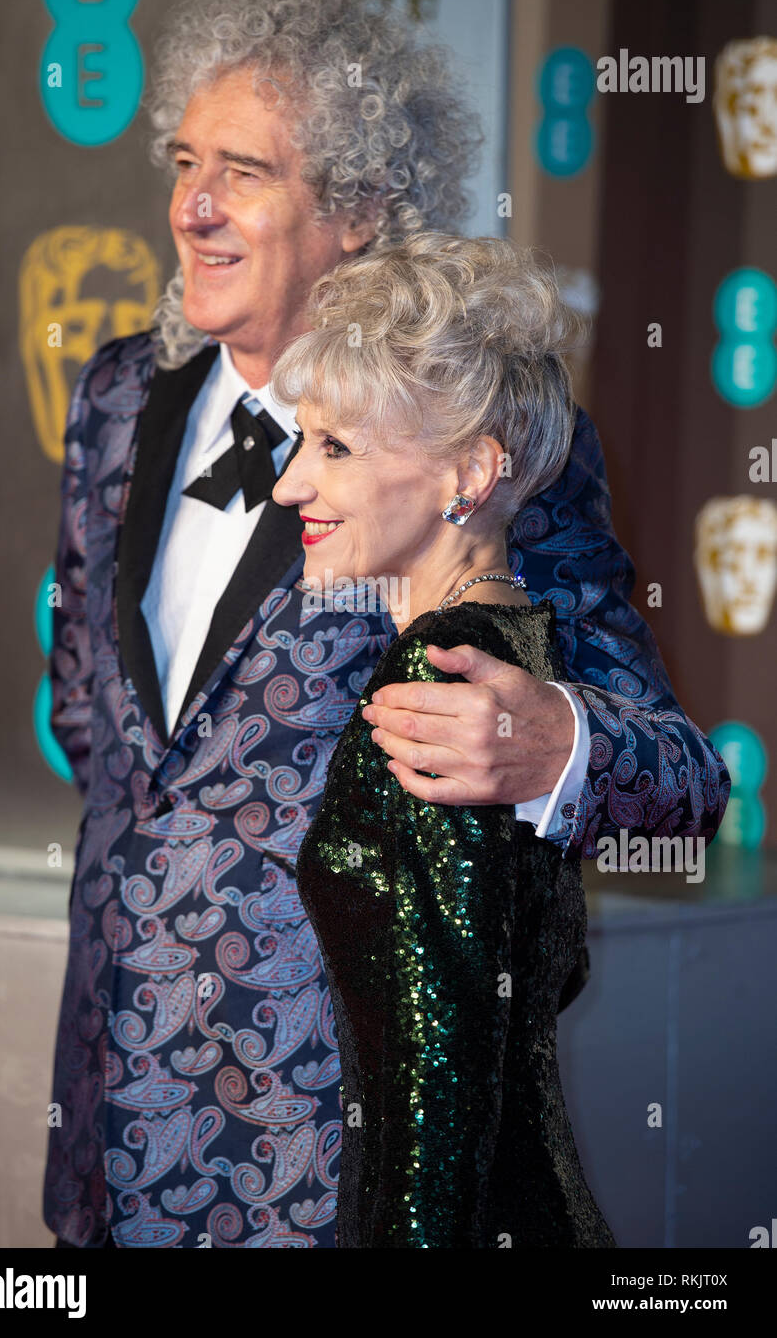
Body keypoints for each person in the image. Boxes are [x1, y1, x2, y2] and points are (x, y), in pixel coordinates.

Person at [44, 0, 728, 1249]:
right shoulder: (115, 397)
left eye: (242, 171)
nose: (191, 205)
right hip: (102, 1123)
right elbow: (87, 705)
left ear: (354, 211)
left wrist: (556, 744)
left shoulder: (483, 445)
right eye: (184, 161)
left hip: (332, 1167)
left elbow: (682, 777)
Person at [270, 232, 616, 1248]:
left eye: (334, 447)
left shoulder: (441, 683)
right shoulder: (526, 655)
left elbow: (443, 1084)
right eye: (302, 440)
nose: (292, 485)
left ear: (470, 470)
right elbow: (548, 971)